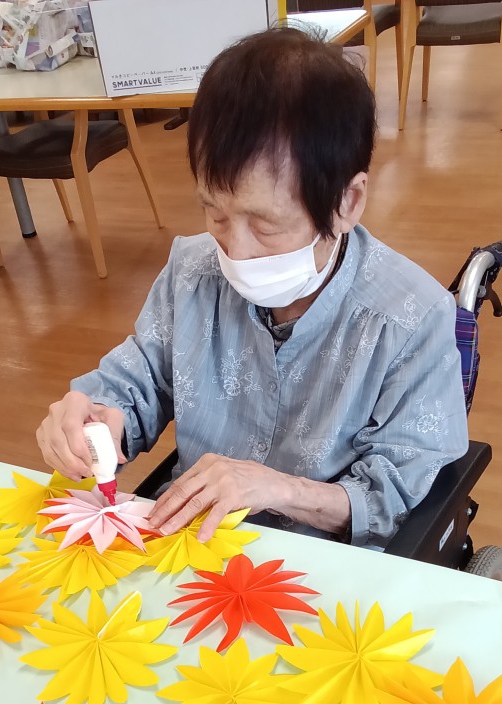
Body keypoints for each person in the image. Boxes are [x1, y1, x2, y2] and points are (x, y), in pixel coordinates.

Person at [36, 28, 468, 550]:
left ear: (347, 202)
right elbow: (139, 380)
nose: (235, 252)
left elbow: (395, 493)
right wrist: (95, 420)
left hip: (322, 560)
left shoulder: (410, 318)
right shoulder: (192, 272)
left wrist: (278, 489)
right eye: (215, 214)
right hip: (194, 541)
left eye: (265, 225)